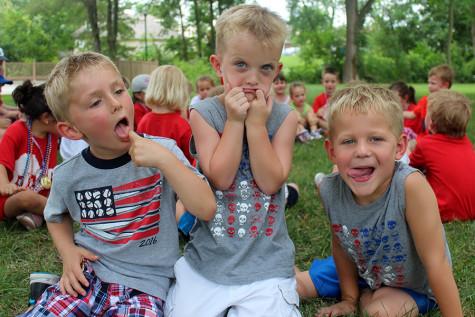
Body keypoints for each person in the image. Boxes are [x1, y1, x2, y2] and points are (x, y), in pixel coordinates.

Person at [20, 52, 216, 316]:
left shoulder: (164, 151)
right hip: (87, 278)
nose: (116, 104)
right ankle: (48, 292)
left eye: (118, 90)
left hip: (146, 287)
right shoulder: (69, 174)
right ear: (72, 130)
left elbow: (205, 208)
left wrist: (166, 162)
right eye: (96, 102)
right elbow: (55, 215)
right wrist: (68, 253)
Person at [165, 5, 301, 317]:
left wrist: (255, 126)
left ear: (276, 70)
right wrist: (236, 121)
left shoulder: (284, 118)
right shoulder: (204, 113)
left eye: (265, 69)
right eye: (241, 65)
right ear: (218, 65)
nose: (253, 79)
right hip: (209, 259)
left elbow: (270, 182)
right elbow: (220, 178)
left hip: (267, 263)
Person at [296, 85, 462, 317]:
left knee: (379, 311)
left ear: (399, 147)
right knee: (294, 286)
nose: (362, 151)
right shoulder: (330, 189)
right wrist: (348, 299)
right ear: (331, 151)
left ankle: (370, 297)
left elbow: (437, 262)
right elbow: (342, 245)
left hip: (412, 285)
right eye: (348, 141)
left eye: (375, 139)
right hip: (364, 269)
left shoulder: (410, 186)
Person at [0, 80, 59, 230]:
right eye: (62, 114)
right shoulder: (17, 131)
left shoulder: (52, 136)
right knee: (26, 198)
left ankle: (34, 215)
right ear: (46, 118)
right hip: (11, 197)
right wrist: (4, 184)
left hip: (40, 193)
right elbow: (1, 163)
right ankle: (62, 213)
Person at [409, 90, 475, 222]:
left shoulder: (425, 144)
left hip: (443, 212)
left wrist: (409, 150)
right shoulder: (467, 143)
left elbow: (409, 168)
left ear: (432, 124)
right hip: (472, 210)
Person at [137, 65, 194, 164]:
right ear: (180, 90)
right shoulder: (182, 125)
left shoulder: (144, 121)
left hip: (152, 177)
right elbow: (191, 161)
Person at [403, 64, 454, 134]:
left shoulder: (452, 104)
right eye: (428, 82)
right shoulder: (425, 100)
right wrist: (397, 112)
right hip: (427, 137)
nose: (429, 86)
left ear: (445, 85)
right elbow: (412, 114)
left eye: (433, 83)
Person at [312, 66, 339, 132]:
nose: (329, 84)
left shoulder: (340, 97)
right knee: (316, 119)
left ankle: (333, 129)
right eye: (326, 81)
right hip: (324, 122)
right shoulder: (319, 98)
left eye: (333, 82)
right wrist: (318, 112)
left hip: (337, 121)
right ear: (322, 82)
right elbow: (313, 113)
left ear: (337, 82)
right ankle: (331, 129)